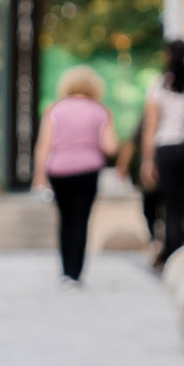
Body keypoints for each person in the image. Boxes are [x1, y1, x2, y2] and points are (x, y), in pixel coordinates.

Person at [38, 66, 116, 285]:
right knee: (81, 220)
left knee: (65, 219)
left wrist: (39, 175)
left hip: (59, 171)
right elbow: (110, 146)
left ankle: (64, 271)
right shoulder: (101, 111)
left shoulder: (55, 110)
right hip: (88, 171)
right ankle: (76, 273)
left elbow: (44, 145)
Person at [140, 40, 184, 268]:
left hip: (167, 150)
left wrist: (148, 161)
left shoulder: (159, 85)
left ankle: (174, 260)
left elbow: (151, 126)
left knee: (172, 207)